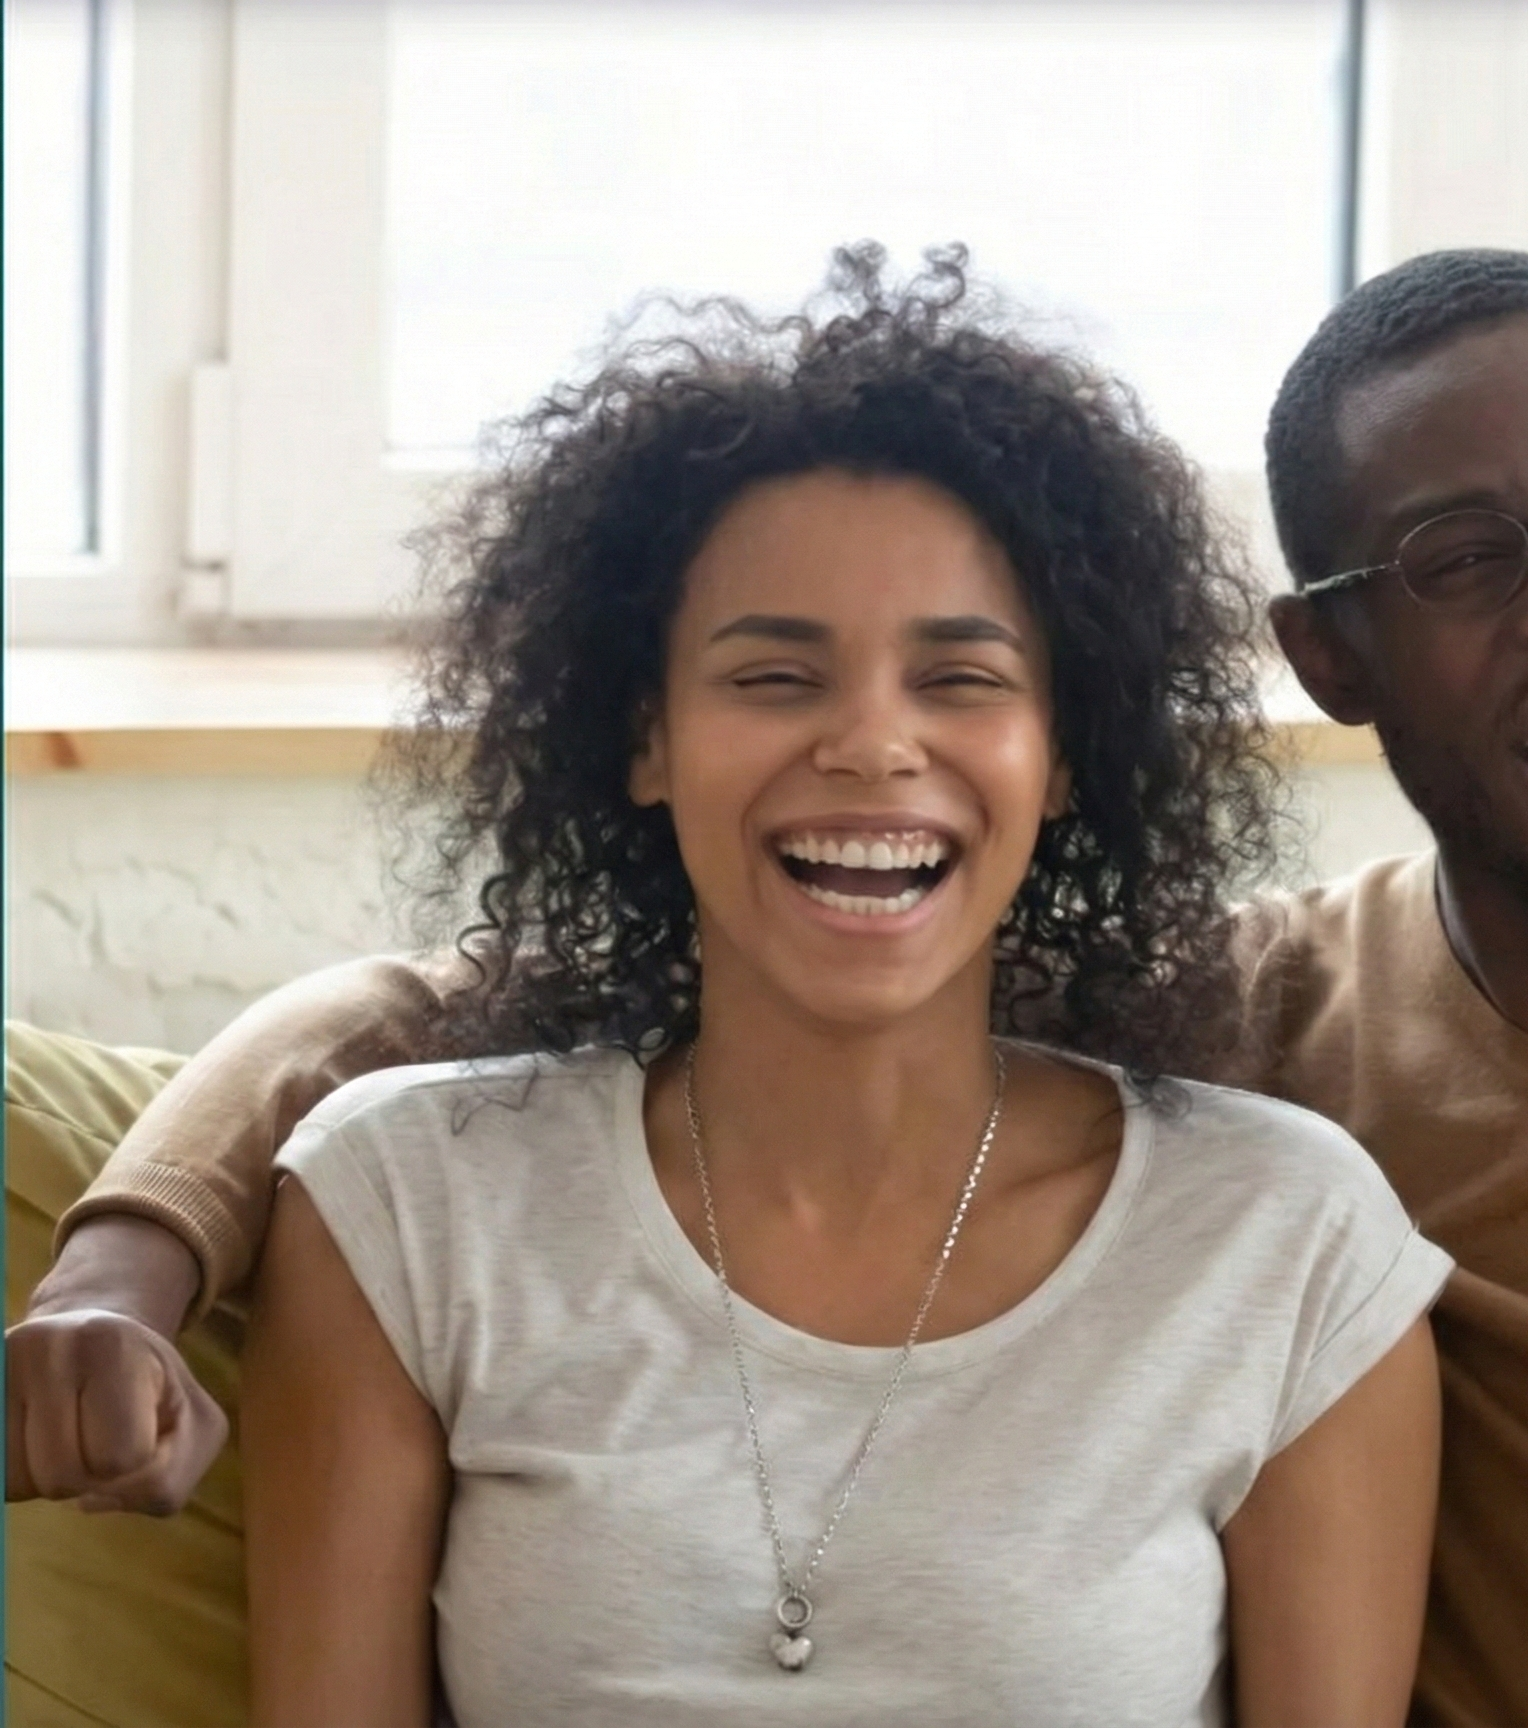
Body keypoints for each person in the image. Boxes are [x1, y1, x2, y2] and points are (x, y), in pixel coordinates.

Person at [12, 157, 1528, 1727]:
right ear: (1325, 658)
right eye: (1462, 561)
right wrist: (137, 1246)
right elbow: (435, 1030)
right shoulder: (1256, 1040)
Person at [52, 250, 1453, 1728]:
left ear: (1065, 757)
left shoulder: (1286, 1248)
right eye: (774, 677)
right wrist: (117, 1262)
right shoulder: (408, 1208)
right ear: (644, 740)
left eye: (962, 679)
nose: (868, 743)